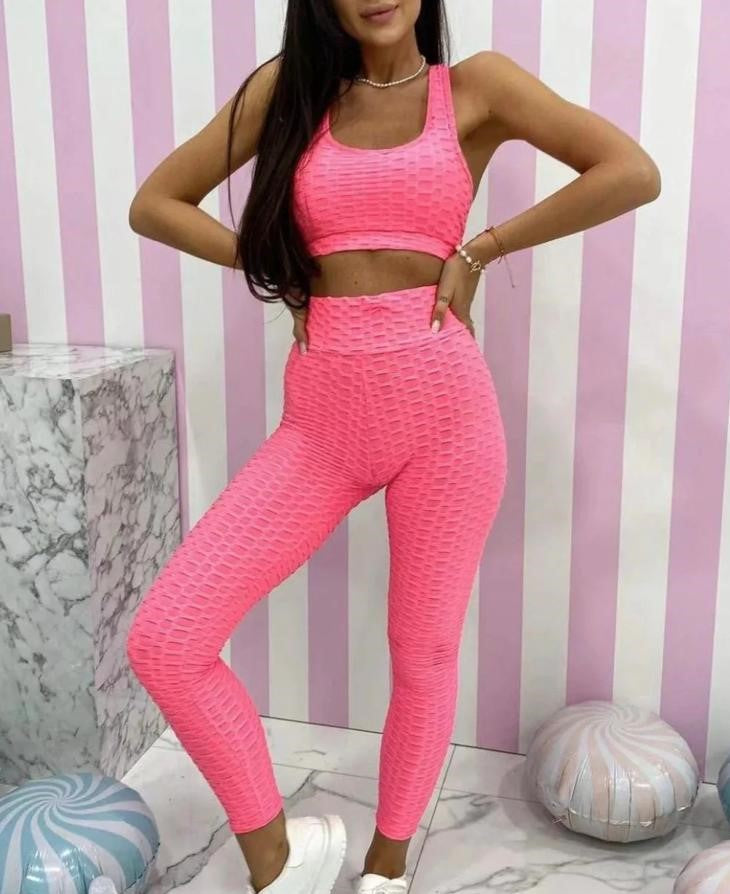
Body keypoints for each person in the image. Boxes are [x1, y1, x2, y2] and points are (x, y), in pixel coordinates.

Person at [125, 2, 661, 893]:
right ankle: (278, 862)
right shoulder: (290, 92)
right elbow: (154, 204)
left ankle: (388, 864)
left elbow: (630, 171)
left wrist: (481, 250)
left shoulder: (476, 88)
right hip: (320, 425)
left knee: (423, 654)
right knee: (167, 639)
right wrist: (272, 266)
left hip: (446, 418)